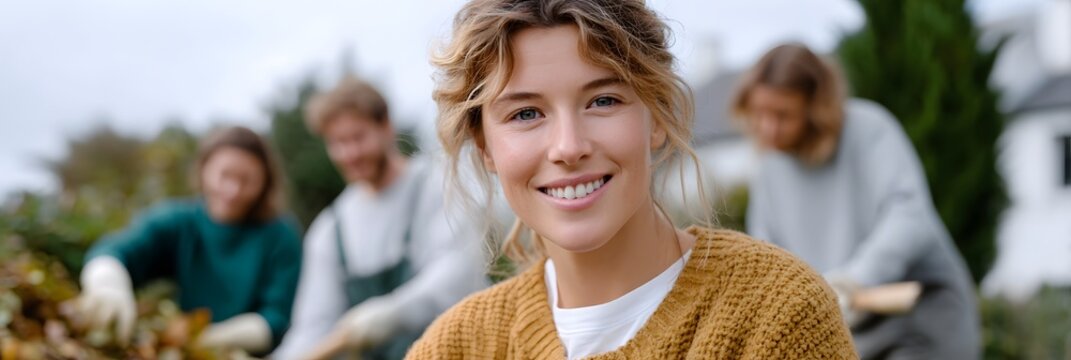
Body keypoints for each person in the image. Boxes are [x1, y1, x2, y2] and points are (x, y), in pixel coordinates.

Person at [406, 1, 856, 359]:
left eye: (603, 100)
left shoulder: (777, 312)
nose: (568, 146)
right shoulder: (454, 347)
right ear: (485, 148)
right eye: (526, 114)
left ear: (656, 117)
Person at [734, 43, 980, 359]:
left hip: (917, 323)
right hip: (849, 333)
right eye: (760, 114)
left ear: (815, 108)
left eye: (783, 115)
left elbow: (908, 214)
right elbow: (767, 256)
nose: (769, 128)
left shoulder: (868, 128)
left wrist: (851, 281)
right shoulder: (770, 169)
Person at [272, 76, 488, 359]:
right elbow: (314, 326)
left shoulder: (441, 186)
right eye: (337, 142)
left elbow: (456, 277)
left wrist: (393, 314)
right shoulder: (330, 229)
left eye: (358, 138)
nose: (349, 153)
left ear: (386, 127)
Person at [77, 126, 302, 355]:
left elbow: (276, 318)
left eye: (246, 180)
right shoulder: (179, 223)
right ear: (204, 170)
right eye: (225, 175)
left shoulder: (280, 236)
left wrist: (212, 339)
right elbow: (116, 250)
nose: (233, 190)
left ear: (264, 182)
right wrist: (108, 284)